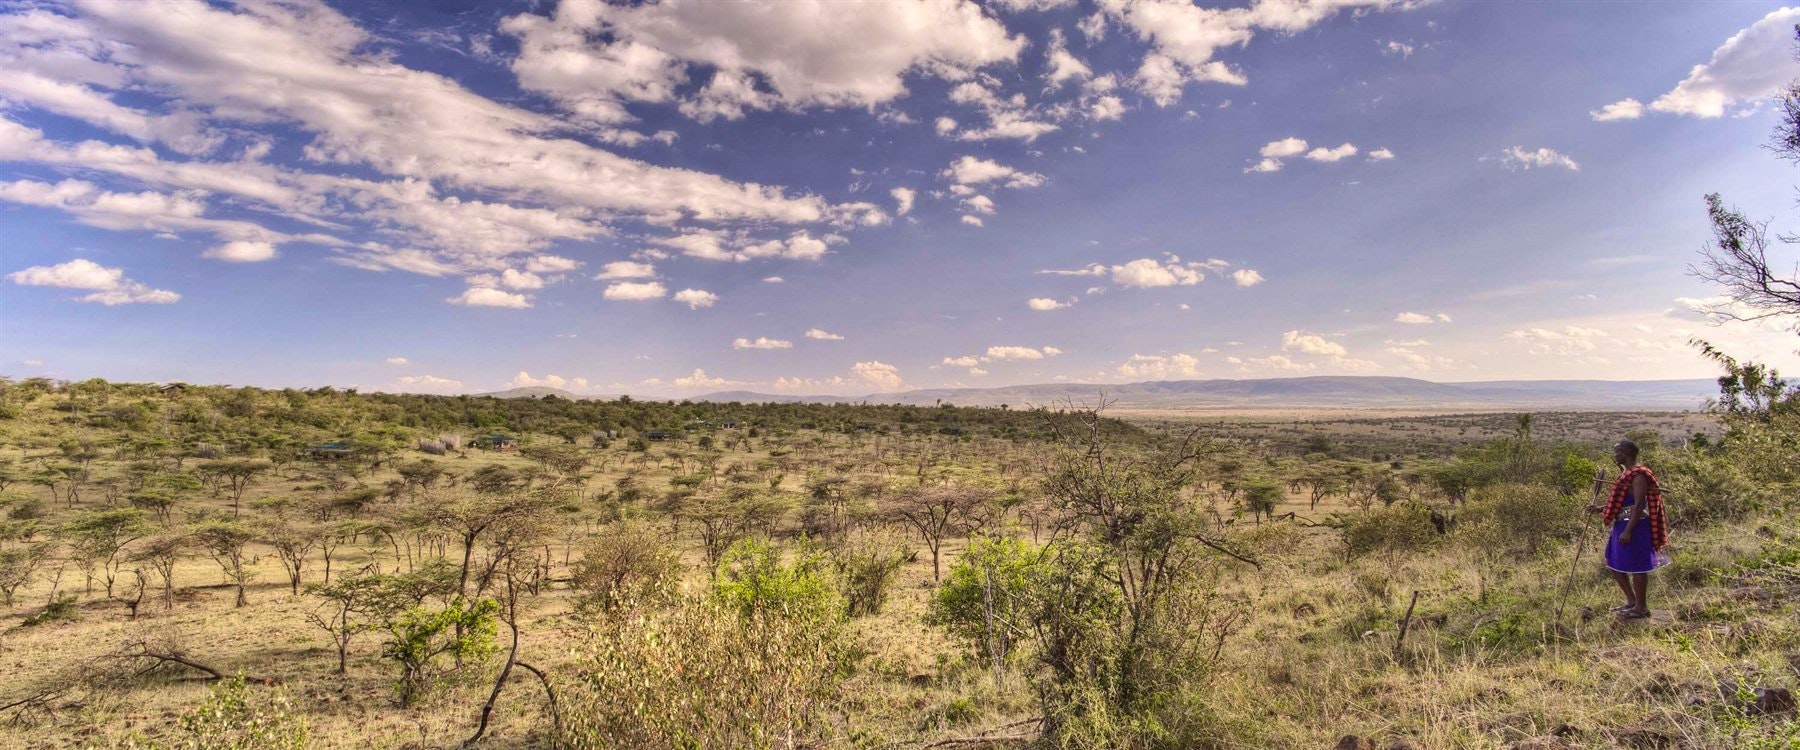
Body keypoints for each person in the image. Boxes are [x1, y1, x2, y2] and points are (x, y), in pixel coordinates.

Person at [1585, 440, 1669, 619]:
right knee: (1613, 562)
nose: (1615, 456)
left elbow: (1638, 505)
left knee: (1638, 566)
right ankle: (1631, 601)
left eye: (1617, 452)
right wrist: (1599, 509)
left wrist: (1629, 530)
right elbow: (1622, 503)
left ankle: (1641, 608)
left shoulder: (1638, 476)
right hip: (1621, 524)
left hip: (1636, 526)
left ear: (1626, 454)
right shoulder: (1626, 474)